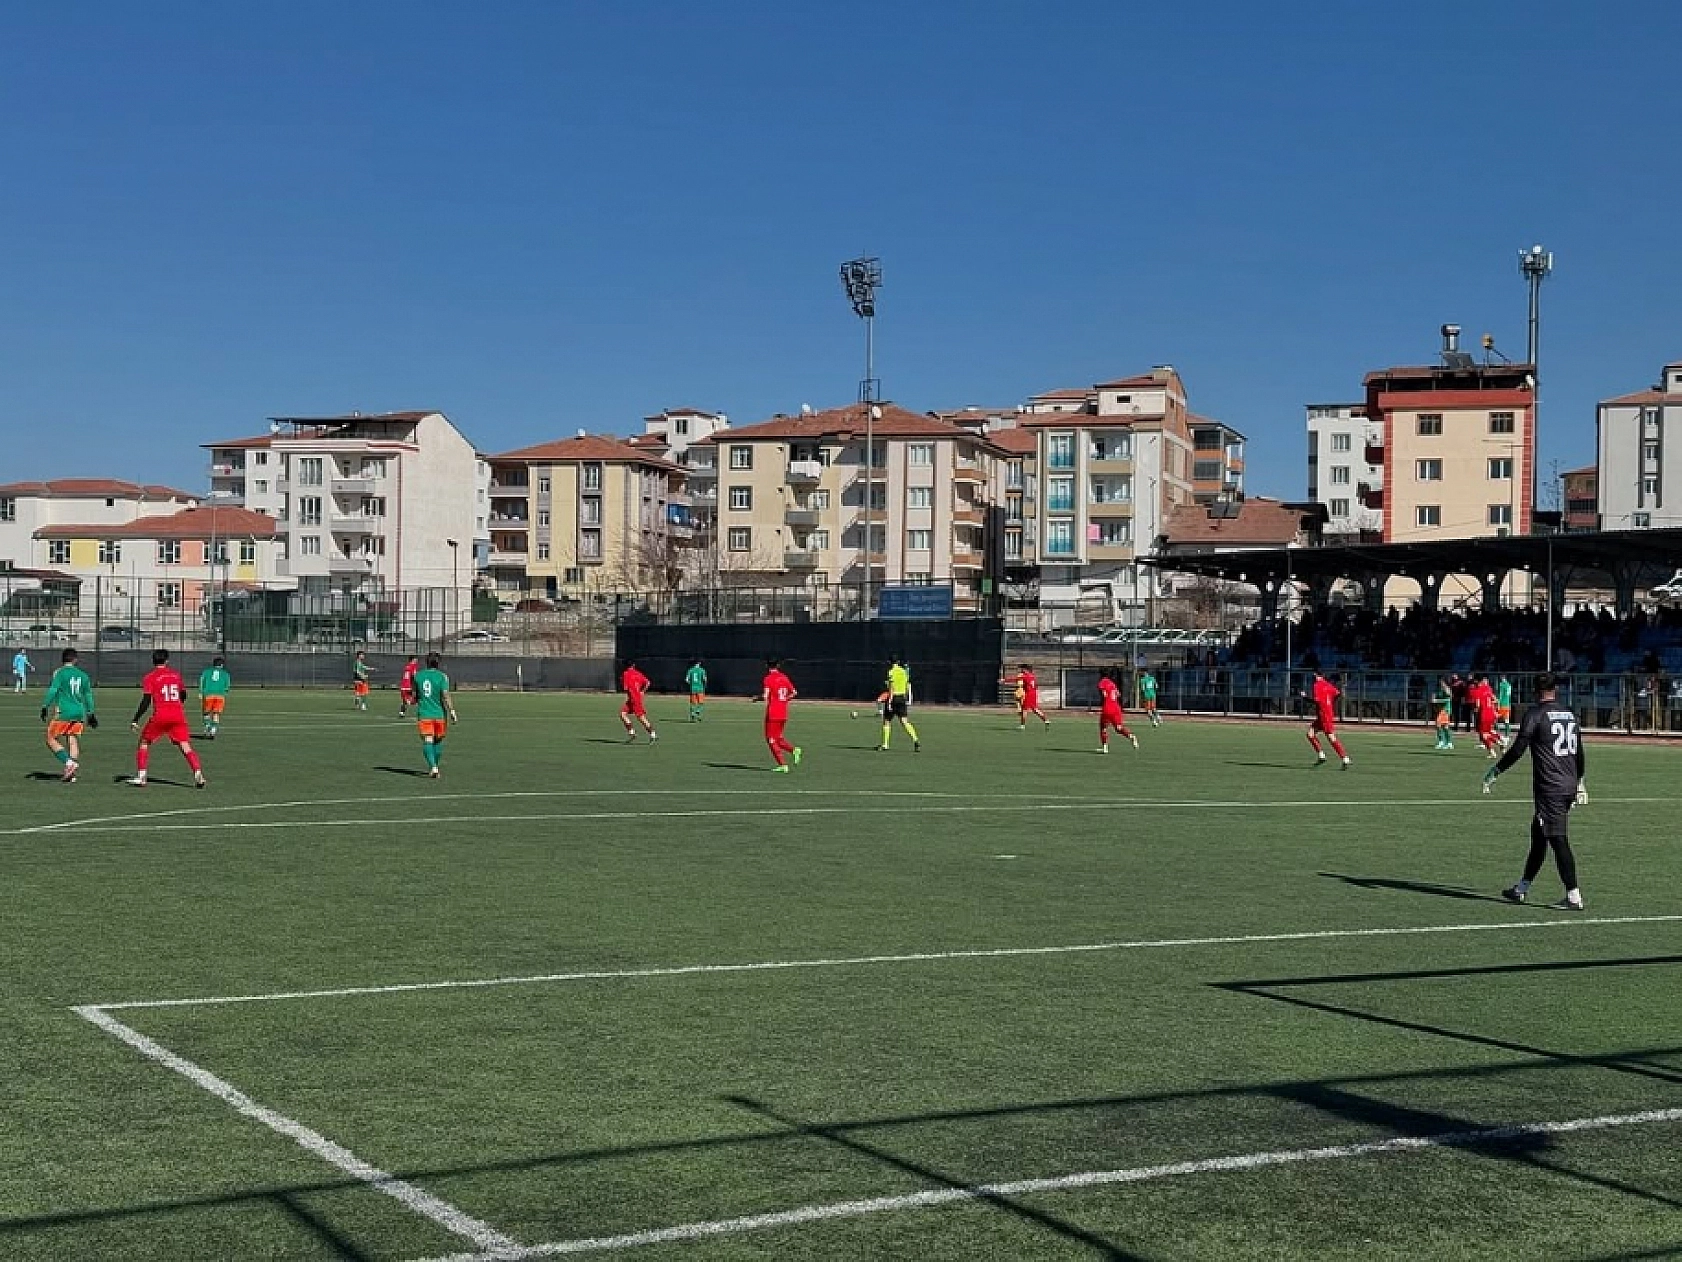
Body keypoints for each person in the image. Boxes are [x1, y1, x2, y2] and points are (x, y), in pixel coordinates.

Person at [1484, 672, 1587, 911]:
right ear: (1556, 690)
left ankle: (1573, 895)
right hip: (1568, 783)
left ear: (1535, 691)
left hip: (1550, 786)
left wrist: (1497, 769)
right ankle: (1521, 888)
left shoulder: (1536, 714)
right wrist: (1580, 780)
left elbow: (1519, 747)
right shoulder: (1569, 714)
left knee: (1557, 838)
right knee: (1539, 834)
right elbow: (1579, 752)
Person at [129, 649, 206, 788]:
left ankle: (141, 776)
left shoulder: (150, 677)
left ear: (153, 661)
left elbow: (146, 701)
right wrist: (177, 704)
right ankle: (197, 772)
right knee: (185, 745)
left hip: (160, 716)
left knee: (144, 742)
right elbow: (183, 694)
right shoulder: (176, 675)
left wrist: (135, 719)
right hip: (178, 715)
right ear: (167, 661)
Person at [41, 647, 96, 782]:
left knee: (50, 738)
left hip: (64, 712)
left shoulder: (60, 673)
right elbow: (88, 695)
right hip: (78, 712)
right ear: (75, 660)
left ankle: (69, 763)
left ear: (62, 659)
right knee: (72, 739)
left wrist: (44, 706)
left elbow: (53, 690)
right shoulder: (83, 675)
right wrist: (91, 713)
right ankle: (71, 773)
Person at [412, 652, 458, 779]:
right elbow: (445, 695)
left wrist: (413, 700)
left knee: (428, 739)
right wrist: (452, 711)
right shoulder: (442, 677)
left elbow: (415, 695)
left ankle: (433, 766)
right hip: (439, 715)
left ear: (426, 662)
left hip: (425, 713)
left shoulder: (418, 676)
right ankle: (434, 766)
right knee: (437, 741)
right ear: (438, 663)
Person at [760, 657, 801, 772]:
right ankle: (794, 750)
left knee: (771, 739)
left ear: (767, 666)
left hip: (773, 712)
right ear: (778, 666)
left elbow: (764, 696)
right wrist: (784, 701)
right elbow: (794, 693)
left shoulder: (768, 679)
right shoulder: (784, 677)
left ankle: (783, 765)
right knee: (778, 738)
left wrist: (757, 698)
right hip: (783, 712)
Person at [1305, 670, 1350, 768]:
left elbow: (1316, 701)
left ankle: (1344, 757)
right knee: (1310, 734)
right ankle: (1321, 755)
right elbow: (1337, 693)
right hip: (1327, 713)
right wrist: (1330, 703)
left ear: (1317, 675)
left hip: (1323, 715)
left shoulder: (1317, 685)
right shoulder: (1328, 684)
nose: (1313, 677)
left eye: (1314, 675)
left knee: (1330, 737)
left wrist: (1305, 698)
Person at [877, 657, 920, 752]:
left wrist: (889, 702)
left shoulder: (891, 672)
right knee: (905, 722)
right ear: (898, 662)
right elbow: (906, 686)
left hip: (894, 698)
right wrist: (906, 698)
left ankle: (885, 745)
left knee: (886, 721)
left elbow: (891, 689)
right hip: (902, 698)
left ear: (890, 662)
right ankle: (916, 740)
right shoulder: (904, 672)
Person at [1096, 669, 1138, 753]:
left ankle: (1105, 748)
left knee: (1103, 728)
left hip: (1107, 708)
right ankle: (1131, 736)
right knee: (1119, 728)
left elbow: (1104, 694)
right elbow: (1118, 694)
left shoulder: (1102, 682)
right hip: (1116, 708)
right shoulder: (1112, 684)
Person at [619, 659, 658, 742]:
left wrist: (622, 680)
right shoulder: (638, 673)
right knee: (623, 714)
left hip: (633, 698)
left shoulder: (625, 674)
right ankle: (632, 732)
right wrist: (642, 691)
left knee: (641, 717)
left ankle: (652, 733)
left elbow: (625, 688)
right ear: (633, 665)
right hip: (635, 698)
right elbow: (648, 682)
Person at [1469, 673, 1502, 759]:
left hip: (1483, 714)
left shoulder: (1477, 690)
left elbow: (1478, 705)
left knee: (1484, 734)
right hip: (1491, 713)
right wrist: (1495, 709)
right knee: (1486, 732)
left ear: (1476, 681)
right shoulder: (1488, 688)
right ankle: (1493, 750)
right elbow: (1495, 700)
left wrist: (1475, 709)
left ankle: (1500, 742)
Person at [198, 656, 231, 739]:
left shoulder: (206, 672)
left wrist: (201, 692)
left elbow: (202, 681)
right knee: (216, 713)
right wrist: (224, 691)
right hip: (220, 696)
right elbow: (227, 686)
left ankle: (207, 727)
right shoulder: (225, 674)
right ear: (222, 665)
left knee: (206, 713)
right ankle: (213, 730)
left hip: (208, 695)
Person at [1015, 663, 1050, 730]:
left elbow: (1015, 679)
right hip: (1034, 693)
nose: (1021, 670)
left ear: (1025, 669)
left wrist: (1004, 680)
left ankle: (1022, 725)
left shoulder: (1025, 676)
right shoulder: (1032, 676)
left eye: (1022, 668)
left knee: (1024, 710)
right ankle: (1046, 720)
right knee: (1035, 709)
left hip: (1028, 694)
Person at [1431, 675, 1455, 751]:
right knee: (1445, 727)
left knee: (1438, 724)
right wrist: (1433, 699)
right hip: (1439, 709)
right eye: (1440, 681)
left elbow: (1449, 699)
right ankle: (1449, 743)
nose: (1440, 683)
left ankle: (1441, 742)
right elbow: (1433, 698)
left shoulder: (1447, 689)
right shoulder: (1437, 689)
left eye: (1442, 681)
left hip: (1445, 710)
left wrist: (1437, 701)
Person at [1495, 673, 1514, 743]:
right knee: (1506, 720)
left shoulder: (1501, 684)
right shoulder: (1509, 685)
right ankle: (1507, 736)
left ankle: (1498, 734)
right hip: (1507, 705)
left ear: (1502, 678)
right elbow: (1509, 695)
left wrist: (1498, 704)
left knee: (1495, 719)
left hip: (1502, 705)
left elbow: (1500, 695)